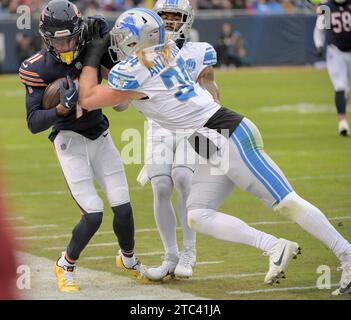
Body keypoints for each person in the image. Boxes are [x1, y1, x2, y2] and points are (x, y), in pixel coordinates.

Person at [77, 8, 351, 294]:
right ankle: (274, 247)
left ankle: (347, 255)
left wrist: (92, 55)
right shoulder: (167, 49)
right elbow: (121, 95)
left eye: (123, 37)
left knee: (286, 202)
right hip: (212, 142)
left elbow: (89, 97)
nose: (116, 42)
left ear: (138, 40)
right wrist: (100, 55)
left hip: (228, 137)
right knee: (197, 214)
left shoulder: (136, 68)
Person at [18, 0, 145, 293]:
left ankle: (128, 259)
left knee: (123, 208)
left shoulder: (90, 47)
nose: (65, 45)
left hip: (100, 134)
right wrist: (60, 111)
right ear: (46, 38)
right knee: (93, 212)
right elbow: (34, 122)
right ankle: (65, 264)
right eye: (58, 39)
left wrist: (104, 34)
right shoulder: (36, 68)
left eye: (70, 37)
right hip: (69, 142)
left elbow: (117, 67)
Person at [133, 0, 220, 281]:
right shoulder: (144, 53)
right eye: (164, 17)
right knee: (160, 186)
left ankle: (189, 252)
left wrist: (214, 122)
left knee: (182, 178)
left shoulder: (199, 51)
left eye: (175, 17)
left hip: (188, 123)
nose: (169, 22)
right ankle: (169, 255)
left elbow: (209, 86)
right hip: (158, 125)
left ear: (187, 19)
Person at [313, 0, 351, 136]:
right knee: (340, 86)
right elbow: (319, 30)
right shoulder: (328, 8)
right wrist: (319, 45)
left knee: (348, 89)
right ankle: (342, 121)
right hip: (336, 52)